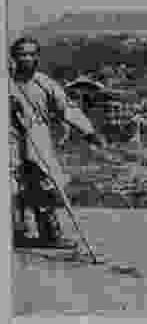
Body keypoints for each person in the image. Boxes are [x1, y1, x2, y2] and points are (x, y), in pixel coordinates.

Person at [10, 37, 106, 249]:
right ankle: (16, 233)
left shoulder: (45, 84)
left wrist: (88, 131)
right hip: (10, 139)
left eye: (32, 54)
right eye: (22, 54)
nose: (27, 58)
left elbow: (67, 110)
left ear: (38, 58)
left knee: (45, 184)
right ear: (14, 57)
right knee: (12, 188)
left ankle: (50, 234)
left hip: (37, 135)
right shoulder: (6, 83)